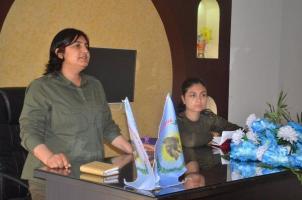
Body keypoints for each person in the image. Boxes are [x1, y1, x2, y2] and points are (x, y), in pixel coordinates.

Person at [19, 28, 133, 200]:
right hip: (52, 178)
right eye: (77, 45)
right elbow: (29, 130)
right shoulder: (41, 87)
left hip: (92, 175)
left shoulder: (95, 85)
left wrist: (133, 149)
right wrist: (49, 157)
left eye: (87, 46)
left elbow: (107, 126)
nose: (85, 51)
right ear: (60, 53)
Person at [177, 78, 241, 148]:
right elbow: (188, 141)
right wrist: (211, 135)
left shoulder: (209, 117)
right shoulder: (176, 121)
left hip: (209, 158)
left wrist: (218, 135)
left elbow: (238, 130)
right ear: (183, 99)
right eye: (193, 95)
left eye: (203, 95)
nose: (199, 100)